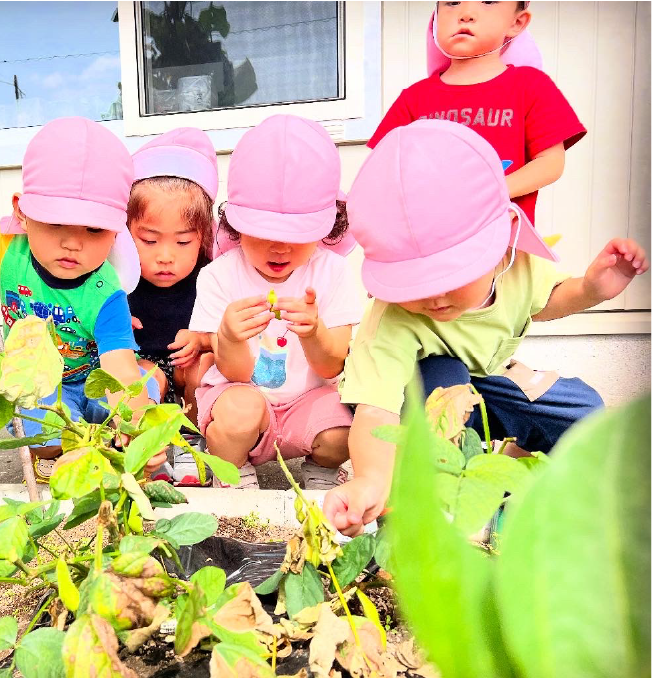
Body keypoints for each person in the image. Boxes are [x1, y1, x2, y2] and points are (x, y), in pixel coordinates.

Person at [327, 119, 647, 535]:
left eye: (451, 277)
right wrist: (371, 478)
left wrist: (590, 289)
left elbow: (545, 301)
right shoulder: (392, 319)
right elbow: (375, 410)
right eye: (415, 284)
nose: (434, 298)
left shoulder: (519, 266)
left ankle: (499, 479)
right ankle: (424, 498)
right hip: (416, 403)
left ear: (501, 246)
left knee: (583, 409)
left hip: (485, 383)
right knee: (445, 378)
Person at [0, 116, 162, 480]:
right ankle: (83, 445)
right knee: (37, 431)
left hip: (95, 381)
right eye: (56, 223)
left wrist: (138, 437)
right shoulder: (8, 248)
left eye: (94, 229)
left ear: (117, 230)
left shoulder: (106, 291)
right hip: (41, 388)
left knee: (134, 396)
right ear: (22, 212)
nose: (73, 242)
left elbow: (118, 373)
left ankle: (115, 425)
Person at [189, 115, 364, 490]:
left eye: (297, 235)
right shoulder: (220, 275)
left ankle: (322, 470)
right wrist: (230, 338)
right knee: (238, 414)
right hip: (242, 397)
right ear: (235, 224)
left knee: (348, 430)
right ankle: (232, 470)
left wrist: (314, 332)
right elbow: (234, 374)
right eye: (265, 232)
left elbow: (332, 365)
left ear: (326, 227)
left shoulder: (333, 273)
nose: (280, 247)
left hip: (307, 401)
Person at [369, 0, 585, 226]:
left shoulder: (531, 86)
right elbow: (382, 170)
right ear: (436, 18)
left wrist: (493, 193)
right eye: (452, 2)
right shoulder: (413, 98)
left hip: (505, 247)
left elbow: (551, 163)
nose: (466, 14)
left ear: (517, 22)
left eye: (488, 1)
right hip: (429, 248)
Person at [127, 128, 219, 485]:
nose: (165, 256)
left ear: (203, 238)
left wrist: (203, 339)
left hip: (189, 379)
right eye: (149, 240)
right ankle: (152, 446)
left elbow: (226, 334)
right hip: (145, 377)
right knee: (144, 374)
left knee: (204, 362)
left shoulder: (212, 275)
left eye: (183, 242)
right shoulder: (118, 277)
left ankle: (194, 442)